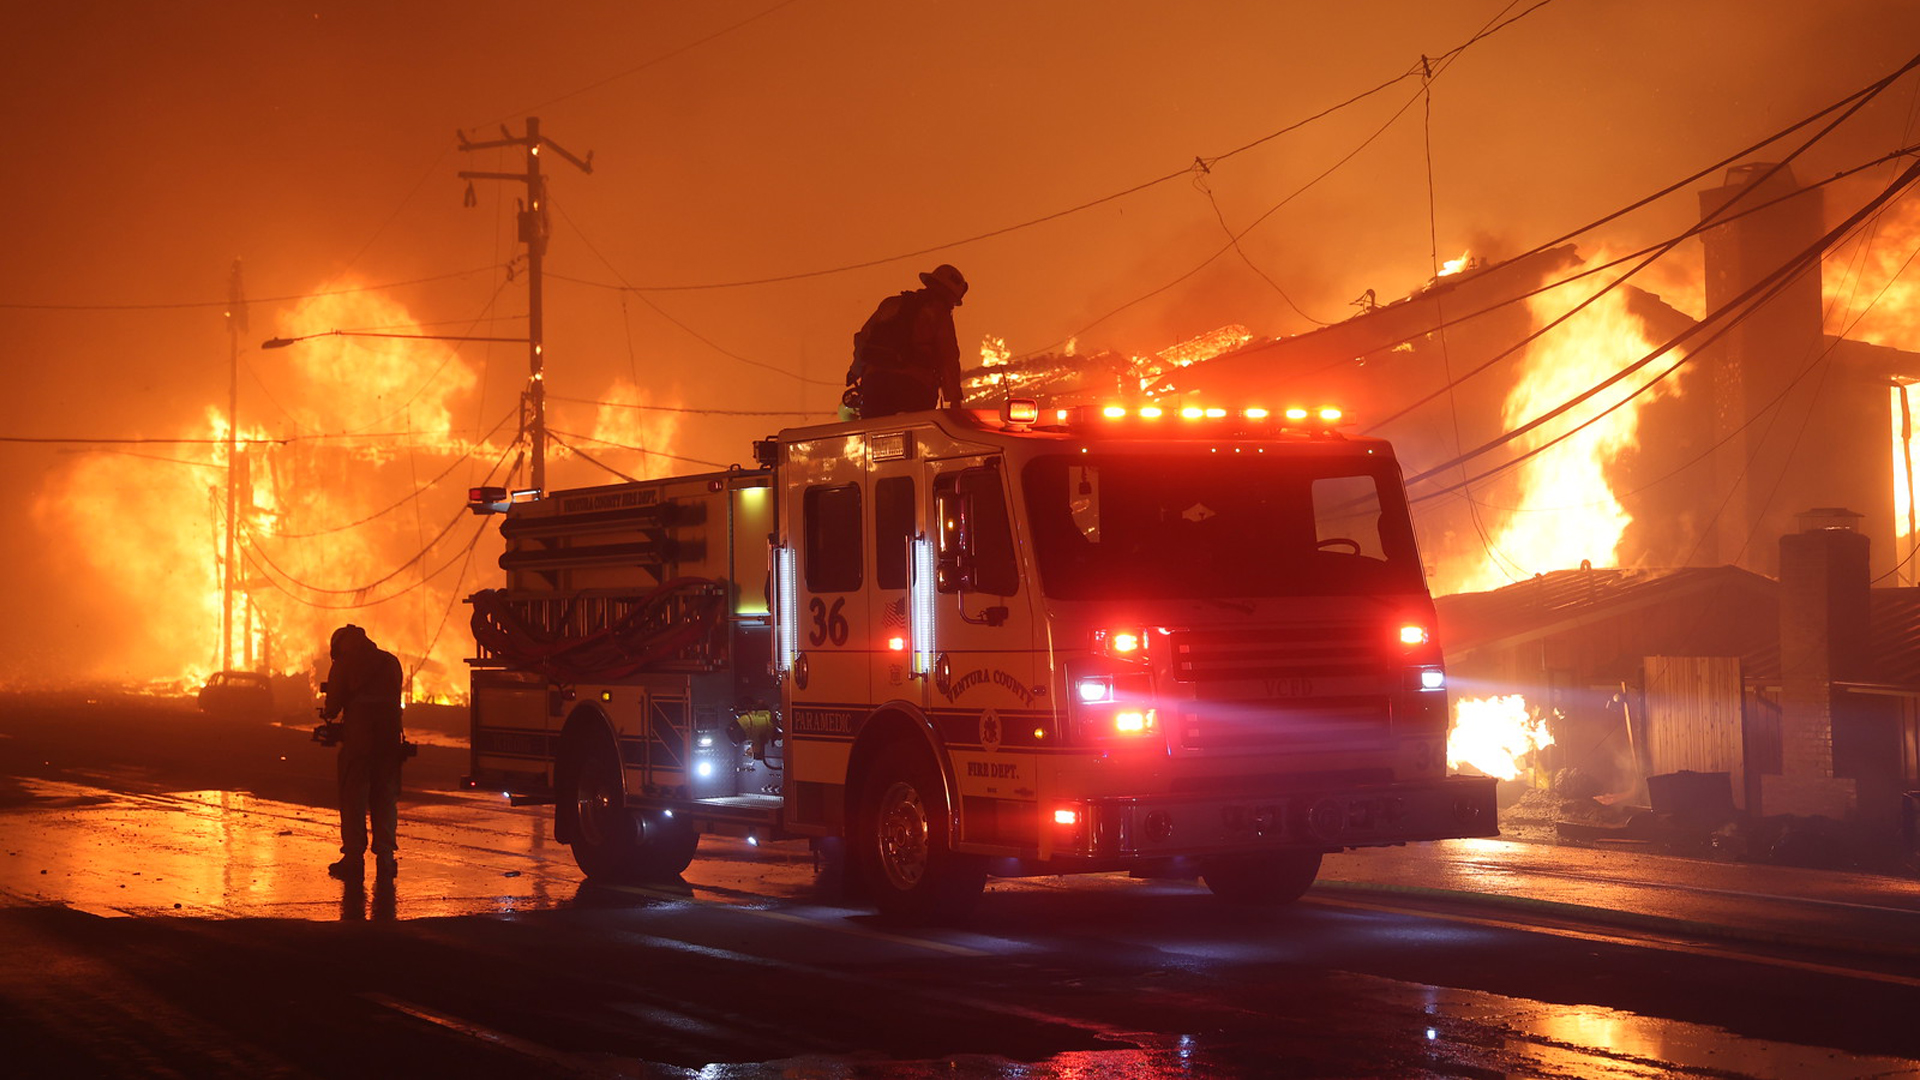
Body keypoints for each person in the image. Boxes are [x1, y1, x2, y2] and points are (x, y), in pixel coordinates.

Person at [321, 624, 406, 879]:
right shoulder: (390, 661)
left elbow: (333, 706)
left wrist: (329, 713)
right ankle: (387, 859)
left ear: (339, 647)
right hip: (390, 740)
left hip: (359, 741)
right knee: (385, 797)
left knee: (353, 798)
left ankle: (353, 860)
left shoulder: (344, 664)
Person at [844, 263, 968, 419]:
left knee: (874, 433)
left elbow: (863, 339)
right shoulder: (939, 314)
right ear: (949, 296)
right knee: (916, 435)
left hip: (876, 383)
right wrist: (955, 400)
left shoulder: (891, 304)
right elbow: (948, 359)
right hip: (915, 387)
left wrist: (855, 371)